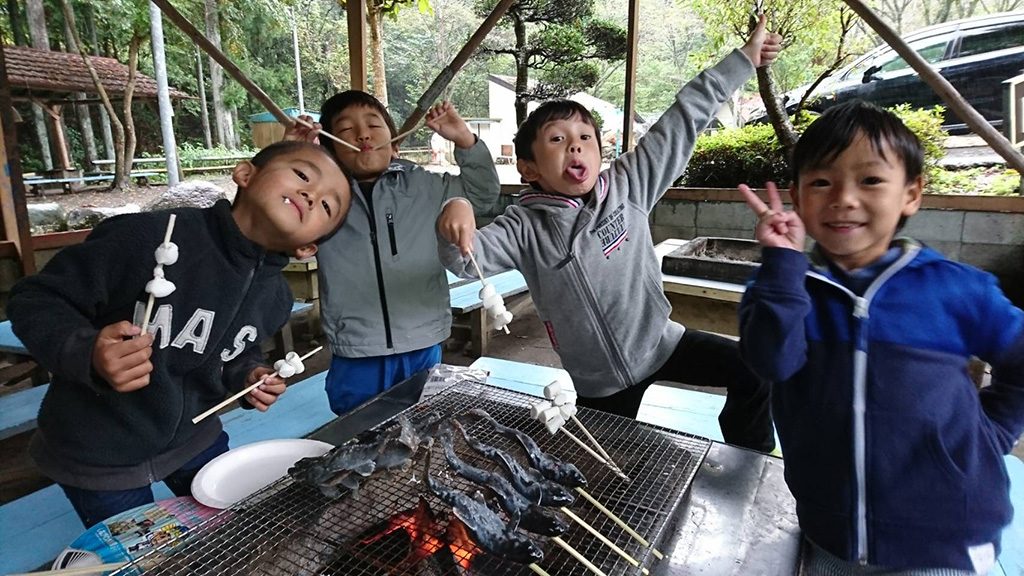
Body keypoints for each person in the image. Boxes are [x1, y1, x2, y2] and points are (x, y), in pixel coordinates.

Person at [435, 16, 782, 452]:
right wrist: (455, 210)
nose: (575, 146)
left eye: (585, 137)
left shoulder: (630, 183)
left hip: (662, 345)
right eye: (557, 139)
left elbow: (685, 117)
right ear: (529, 168)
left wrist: (745, 60)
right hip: (598, 383)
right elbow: (465, 262)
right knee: (614, 474)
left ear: (602, 151)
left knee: (753, 370)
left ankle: (748, 462)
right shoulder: (524, 225)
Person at [736, 100, 1024, 573]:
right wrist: (782, 264)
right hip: (830, 536)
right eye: (822, 182)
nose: (843, 198)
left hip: (945, 538)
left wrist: (993, 433)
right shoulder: (783, 288)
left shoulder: (956, 289)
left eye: (870, 180)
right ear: (798, 194)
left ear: (911, 193)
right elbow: (772, 363)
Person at [6, 140, 352, 527]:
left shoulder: (276, 296)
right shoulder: (150, 238)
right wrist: (86, 351)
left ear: (308, 248)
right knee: (136, 554)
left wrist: (249, 376)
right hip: (98, 451)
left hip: (193, 437)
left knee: (225, 530)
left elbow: (236, 352)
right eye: (303, 175)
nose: (311, 193)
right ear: (245, 174)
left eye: (327, 205)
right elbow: (35, 297)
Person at [288, 92, 500, 415]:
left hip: (423, 340)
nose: (363, 134)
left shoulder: (426, 187)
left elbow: (483, 194)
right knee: (357, 434)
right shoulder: (320, 199)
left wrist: (465, 140)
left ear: (395, 143)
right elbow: (278, 222)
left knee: (424, 427)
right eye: (345, 130)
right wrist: (288, 156)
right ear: (328, 147)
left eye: (374, 124)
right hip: (355, 348)